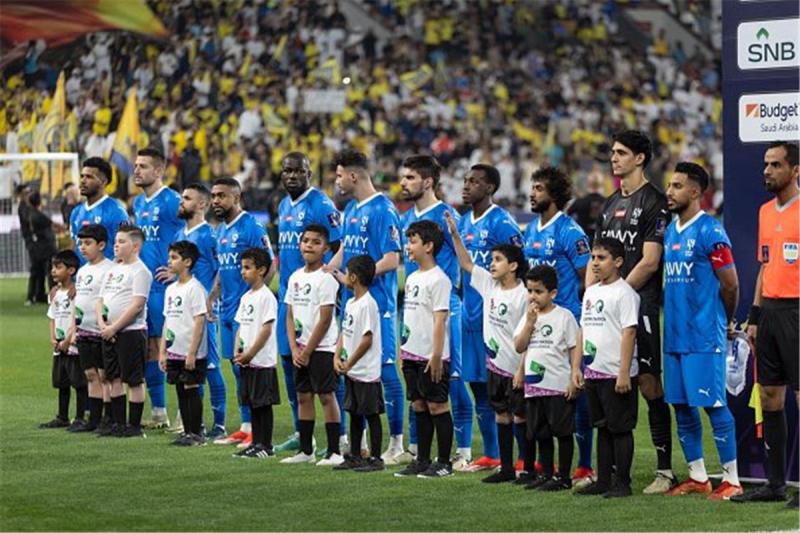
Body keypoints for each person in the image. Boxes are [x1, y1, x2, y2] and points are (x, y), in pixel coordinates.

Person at [593, 130, 674, 493]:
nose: (614, 158)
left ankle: (665, 469)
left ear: (640, 158)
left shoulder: (656, 202)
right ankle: (610, 472)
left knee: (648, 383)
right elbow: (596, 260)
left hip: (641, 305)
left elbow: (651, 260)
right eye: (612, 152)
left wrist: (617, 293)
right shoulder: (609, 206)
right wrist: (593, 295)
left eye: (622, 152)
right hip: (608, 307)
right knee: (607, 379)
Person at [661, 162, 743, 500]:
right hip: (674, 335)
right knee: (681, 406)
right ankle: (697, 476)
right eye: (670, 185)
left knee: (713, 405)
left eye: (677, 186)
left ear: (696, 192)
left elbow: (731, 284)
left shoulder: (710, 231)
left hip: (703, 334)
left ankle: (732, 479)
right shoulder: (670, 231)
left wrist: (723, 321)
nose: (670, 191)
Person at [732, 141, 800, 508]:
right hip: (771, 313)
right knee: (771, 398)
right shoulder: (763, 212)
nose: (767, 170)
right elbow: (764, 266)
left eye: (775, 164)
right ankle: (775, 484)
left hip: (798, 312)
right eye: (765, 164)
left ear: (796, 171)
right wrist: (755, 316)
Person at [326, 149, 405, 461]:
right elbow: (346, 249)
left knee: (384, 373)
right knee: (351, 371)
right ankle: (356, 444)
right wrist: (326, 275)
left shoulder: (383, 209)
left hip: (378, 305)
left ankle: (397, 444)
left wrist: (355, 276)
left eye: (339, 174)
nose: (336, 180)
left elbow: (391, 259)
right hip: (350, 305)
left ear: (353, 176)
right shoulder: (350, 210)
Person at [399, 155, 473, 468]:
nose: (403, 183)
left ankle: (464, 450)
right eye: (403, 177)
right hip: (417, 307)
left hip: (445, 307)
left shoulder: (447, 215)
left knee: (450, 380)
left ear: (428, 182)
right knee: (419, 389)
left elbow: (461, 257)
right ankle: (420, 451)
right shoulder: (407, 218)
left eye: (410, 178)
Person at [523, 166, 594, 486]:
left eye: (538, 188)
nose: (532, 193)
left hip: (567, 324)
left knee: (573, 396)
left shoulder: (570, 232)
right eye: (532, 187)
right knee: (541, 395)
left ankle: (584, 465)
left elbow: (587, 278)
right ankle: (547, 465)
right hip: (539, 327)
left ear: (554, 194)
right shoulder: (530, 231)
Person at [447, 210, 529, 483]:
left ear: (514, 265)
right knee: (502, 415)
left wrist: (521, 368)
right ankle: (506, 468)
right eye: (491, 260)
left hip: (515, 368)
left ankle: (526, 466)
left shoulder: (523, 295)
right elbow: (467, 263)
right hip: (494, 366)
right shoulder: (489, 284)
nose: (491, 264)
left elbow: (528, 337)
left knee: (520, 417)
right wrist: (456, 236)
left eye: (497, 260)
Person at [457, 164, 523, 472]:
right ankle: (493, 454)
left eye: (475, 182)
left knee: (511, 392)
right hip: (471, 318)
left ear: (491, 188)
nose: (467, 186)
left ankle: (521, 456)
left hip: (499, 320)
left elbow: (519, 265)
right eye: (466, 180)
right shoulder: (462, 221)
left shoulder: (502, 222)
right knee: (480, 388)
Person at [275, 152, 342, 454]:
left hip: (316, 294)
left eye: (297, 171)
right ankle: (304, 436)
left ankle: (338, 439)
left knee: (325, 375)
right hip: (291, 294)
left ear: (309, 173)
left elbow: (341, 246)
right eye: (286, 171)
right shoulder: (281, 205)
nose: (291, 176)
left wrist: (328, 276)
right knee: (291, 362)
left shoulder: (321, 204)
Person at [211, 177, 275, 448]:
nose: (215, 201)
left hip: (245, 312)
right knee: (236, 369)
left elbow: (269, 263)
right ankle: (246, 426)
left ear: (236, 198)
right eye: (213, 196)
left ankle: (255, 430)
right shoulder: (220, 231)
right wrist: (212, 295)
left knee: (248, 369)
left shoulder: (251, 226)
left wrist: (258, 296)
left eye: (221, 196)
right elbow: (223, 269)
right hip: (226, 310)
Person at [574, 237, 640, 498]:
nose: (595, 263)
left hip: (616, 373)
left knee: (620, 428)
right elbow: (583, 330)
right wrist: (577, 367)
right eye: (593, 258)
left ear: (619, 262)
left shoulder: (625, 293)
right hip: (593, 372)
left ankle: (622, 483)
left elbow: (629, 332)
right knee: (601, 426)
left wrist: (624, 372)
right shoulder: (591, 291)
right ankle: (603, 480)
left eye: (601, 258)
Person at [393, 220, 455, 479]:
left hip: (432, 356)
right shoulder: (413, 277)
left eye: (413, 241)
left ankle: (443, 462)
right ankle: (423, 459)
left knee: (437, 406)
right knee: (418, 405)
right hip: (411, 354)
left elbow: (440, 319)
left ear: (428, 246)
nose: (408, 247)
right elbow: (409, 316)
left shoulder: (439, 279)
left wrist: (438, 355)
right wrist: (402, 349)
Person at [513, 265, 581, 491]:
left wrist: (574, 375)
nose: (533, 296)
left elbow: (574, 347)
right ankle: (546, 473)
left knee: (562, 432)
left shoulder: (564, 317)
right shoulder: (527, 317)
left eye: (538, 291)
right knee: (540, 432)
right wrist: (530, 323)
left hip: (558, 386)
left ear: (552, 293)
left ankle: (563, 477)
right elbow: (519, 346)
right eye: (530, 291)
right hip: (534, 386)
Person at [282, 225, 342, 466]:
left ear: (326, 248)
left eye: (316, 242)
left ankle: (335, 452)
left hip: (322, 349)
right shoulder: (295, 276)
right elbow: (289, 315)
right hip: (301, 349)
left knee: (327, 396)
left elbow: (326, 318)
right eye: (305, 240)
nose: (308, 245)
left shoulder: (327, 278)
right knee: (303, 396)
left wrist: (307, 351)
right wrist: (295, 348)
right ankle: (306, 451)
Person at [132, 147, 182, 429]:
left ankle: (184, 414)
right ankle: (159, 411)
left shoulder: (172, 201)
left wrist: (177, 271)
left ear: (159, 171)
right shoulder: (139, 204)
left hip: (166, 287)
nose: (136, 170)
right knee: (151, 348)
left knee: (175, 347)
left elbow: (190, 236)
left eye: (143, 166)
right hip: (145, 286)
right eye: (136, 166)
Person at [173, 184, 227, 440]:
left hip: (204, 311)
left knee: (211, 366)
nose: (181, 202)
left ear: (202, 204)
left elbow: (222, 268)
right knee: (189, 365)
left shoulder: (209, 235)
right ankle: (195, 424)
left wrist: (212, 298)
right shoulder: (179, 232)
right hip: (181, 312)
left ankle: (219, 424)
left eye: (186, 198)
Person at [96, 224, 153, 438]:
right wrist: (103, 325)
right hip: (108, 331)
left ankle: (134, 426)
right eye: (116, 241)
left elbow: (137, 305)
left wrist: (113, 327)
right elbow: (100, 300)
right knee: (113, 378)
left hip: (131, 332)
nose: (116, 245)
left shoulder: (141, 271)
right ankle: (118, 424)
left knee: (134, 379)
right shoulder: (113, 269)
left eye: (121, 242)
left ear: (136, 246)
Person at [333, 255, 385, 472]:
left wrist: (350, 362)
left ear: (353, 277)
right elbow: (345, 332)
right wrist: (337, 356)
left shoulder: (367, 304)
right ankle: (355, 454)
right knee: (353, 412)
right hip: (353, 370)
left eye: (346, 273)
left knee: (371, 415)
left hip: (366, 370)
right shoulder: (352, 303)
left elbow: (367, 339)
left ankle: (375, 458)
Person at [232, 248, 280, 459]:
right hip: (247, 361)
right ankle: (256, 442)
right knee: (252, 402)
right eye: (242, 268)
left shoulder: (266, 297)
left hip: (261, 361)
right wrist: (238, 351)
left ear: (261, 270)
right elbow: (241, 326)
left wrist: (250, 353)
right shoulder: (246, 297)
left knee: (262, 404)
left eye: (247, 268)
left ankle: (266, 446)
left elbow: (266, 329)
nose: (243, 272)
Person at [159, 240, 208, 446]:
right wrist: (162, 351)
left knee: (191, 387)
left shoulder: (195, 288)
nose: (169, 262)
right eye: (169, 257)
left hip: (190, 352)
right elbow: (167, 321)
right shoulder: (170, 289)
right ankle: (187, 431)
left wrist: (192, 352)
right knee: (180, 388)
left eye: (174, 258)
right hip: (174, 350)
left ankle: (196, 433)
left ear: (187, 262)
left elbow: (199, 320)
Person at [73, 224, 115, 432]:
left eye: (88, 243)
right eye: (80, 243)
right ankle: (94, 419)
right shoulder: (82, 271)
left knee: (105, 374)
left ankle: (109, 418)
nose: (82, 247)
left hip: (101, 331)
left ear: (102, 245)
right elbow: (78, 301)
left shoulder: (109, 269)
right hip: (84, 331)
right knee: (90, 374)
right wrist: (74, 329)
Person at [39, 249, 86, 429]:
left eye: (58, 267)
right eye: (53, 267)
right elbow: (52, 317)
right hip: (59, 345)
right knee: (62, 382)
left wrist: (69, 339)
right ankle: (62, 416)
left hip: (72, 344)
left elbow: (77, 317)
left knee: (79, 382)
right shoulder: (55, 293)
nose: (53, 271)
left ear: (71, 270)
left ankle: (81, 416)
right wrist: (53, 338)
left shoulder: (76, 293)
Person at [69, 157, 129, 266]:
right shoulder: (76, 212)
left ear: (103, 181)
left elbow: (125, 251)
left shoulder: (116, 212)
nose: (82, 181)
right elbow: (74, 246)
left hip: (105, 278)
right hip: (81, 278)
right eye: (82, 176)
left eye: (89, 177)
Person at [27, 192, 57, 305]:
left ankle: (34, 295)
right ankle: (53, 296)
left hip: (38, 247)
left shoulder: (32, 214)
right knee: (51, 272)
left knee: (37, 272)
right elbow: (53, 225)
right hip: (46, 248)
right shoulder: (38, 215)